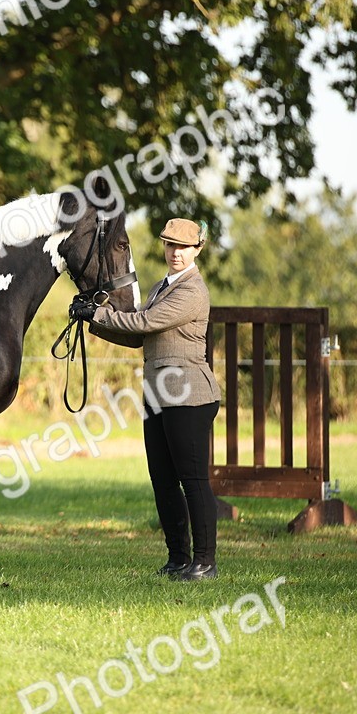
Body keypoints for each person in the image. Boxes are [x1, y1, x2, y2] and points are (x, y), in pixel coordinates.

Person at [86, 218, 222, 581]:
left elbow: (145, 322)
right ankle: (178, 558)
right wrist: (92, 322)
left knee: (193, 481)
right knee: (163, 480)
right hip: (159, 395)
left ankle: (205, 562)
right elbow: (138, 336)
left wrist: (99, 312)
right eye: (169, 245)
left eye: (183, 247)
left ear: (197, 250)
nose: (175, 253)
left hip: (190, 395)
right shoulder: (162, 286)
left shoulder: (192, 290)